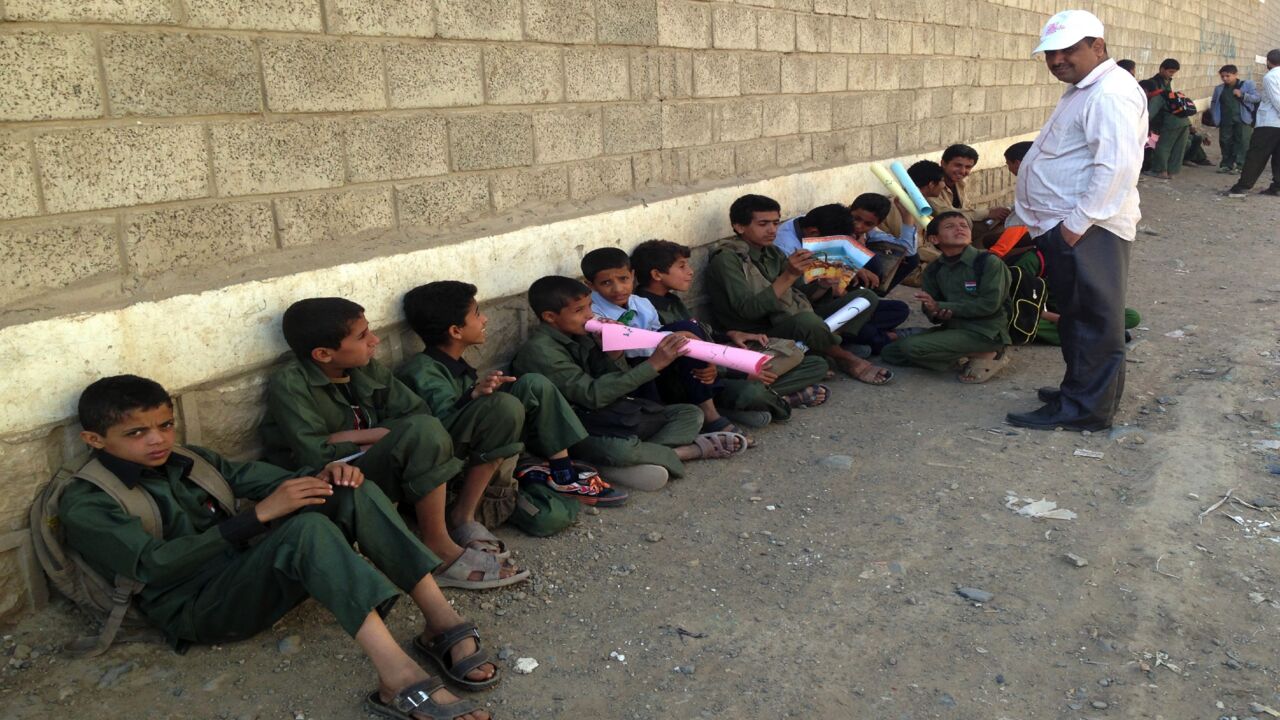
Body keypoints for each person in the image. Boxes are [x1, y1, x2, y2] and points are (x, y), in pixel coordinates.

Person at [62, 375, 497, 720]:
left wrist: (324, 474)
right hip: (197, 607)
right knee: (304, 530)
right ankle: (397, 678)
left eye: (164, 425)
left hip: (243, 570)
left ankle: (440, 620)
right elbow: (152, 566)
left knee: (343, 490)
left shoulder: (190, 458)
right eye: (136, 432)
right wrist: (256, 517)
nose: (157, 440)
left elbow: (268, 481)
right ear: (95, 440)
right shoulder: (88, 500)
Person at [261, 297, 528, 590]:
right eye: (362, 336)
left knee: (502, 406)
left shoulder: (364, 367)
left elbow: (417, 413)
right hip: (339, 482)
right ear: (324, 354)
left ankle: (463, 516)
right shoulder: (290, 384)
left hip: (383, 456)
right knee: (422, 432)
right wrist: (388, 437)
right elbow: (316, 454)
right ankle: (437, 548)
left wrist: (366, 436)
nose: (375, 340)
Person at [1007, 9, 1147, 432]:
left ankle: (1084, 411)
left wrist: (1075, 225)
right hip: (1072, 225)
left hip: (1088, 228)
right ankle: (1083, 392)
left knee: (1091, 320)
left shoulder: (1110, 93)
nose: (1056, 60)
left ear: (1097, 46)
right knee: (1079, 316)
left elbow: (1117, 167)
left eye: (1068, 50)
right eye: (1050, 53)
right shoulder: (1086, 88)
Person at [397, 280, 624, 509]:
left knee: (533, 384)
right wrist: (474, 397)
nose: (484, 319)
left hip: (491, 443)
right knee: (549, 516)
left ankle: (562, 473)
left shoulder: (453, 362)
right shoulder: (422, 371)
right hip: (461, 464)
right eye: (477, 314)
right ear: (456, 331)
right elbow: (442, 428)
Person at [510, 276, 744, 492]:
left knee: (689, 414)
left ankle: (631, 460)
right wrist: (653, 364)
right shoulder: (541, 351)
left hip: (607, 416)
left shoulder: (580, 334)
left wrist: (614, 354)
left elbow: (614, 383)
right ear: (550, 317)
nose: (589, 316)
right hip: (575, 428)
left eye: (590, 306)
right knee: (619, 449)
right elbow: (592, 396)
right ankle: (682, 452)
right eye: (579, 310)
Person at [704, 194, 893, 385]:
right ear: (739, 227)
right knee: (809, 330)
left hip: (791, 315)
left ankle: (820, 348)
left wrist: (822, 284)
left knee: (865, 297)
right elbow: (749, 311)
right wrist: (789, 275)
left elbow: (800, 294)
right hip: (760, 331)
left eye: (775, 223)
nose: (772, 230)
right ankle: (846, 358)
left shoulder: (771, 252)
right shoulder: (727, 259)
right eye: (763, 224)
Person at [630, 239, 833, 413]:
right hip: (698, 379)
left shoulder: (671, 299)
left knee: (815, 363)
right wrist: (735, 372)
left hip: (719, 360)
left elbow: (700, 333)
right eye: (682, 266)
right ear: (657, 275)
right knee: (750, 391)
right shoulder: (645, 309)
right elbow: (682, 358)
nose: (691, 272)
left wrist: (731, 335)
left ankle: (759, 401)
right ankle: (779, 402)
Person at [580, 247, 759, 442]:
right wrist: (672, 340)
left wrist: (701, 354)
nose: (617, 289)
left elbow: (656, 331)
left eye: (623, 279)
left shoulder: (641, 304)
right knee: (678, 337)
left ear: (632, 276)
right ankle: (677, 420)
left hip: (659, 365)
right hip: (625, 374)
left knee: (687, 328)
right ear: (590, 285)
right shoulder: (593, 313)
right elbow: (628, 349)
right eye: (606, 283)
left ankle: (710, 412)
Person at [881, 212, 1012, 383]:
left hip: (984, 332)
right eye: (950, 226)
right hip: (953, 328)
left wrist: (943, 305)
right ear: (934, 239)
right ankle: (953, 354)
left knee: (910, 347)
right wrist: (935, 312)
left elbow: (989, 305)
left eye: (964, 225)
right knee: (889, 352)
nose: (960, 229)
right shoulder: (934, 269)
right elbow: (932, 309)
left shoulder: (988, 262)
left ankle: (989, 353)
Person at [792, 201, 911, 354]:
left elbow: (836, 286)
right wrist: (828, 287)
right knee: (866, 310)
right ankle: (876, 339)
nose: (859, 226)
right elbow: (802, 301)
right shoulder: (789, 250)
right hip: (811, 311)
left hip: (831, 303)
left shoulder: (820, 226)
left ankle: (855, 336)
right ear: (814, 234)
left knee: (899, 309)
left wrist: (848, 269)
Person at [1225, 49, 1280, 198]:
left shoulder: (1270, 77)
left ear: (1268, 62)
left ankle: (1242, 187)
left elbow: (1277, 101)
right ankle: (1277, 187)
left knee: (1256, 155)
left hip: (1270, 123)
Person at [939, 143, 1011, 246]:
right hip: (942, 234)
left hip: (962, 230)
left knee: (1004, 222)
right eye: (958, 165)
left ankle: (977, 253)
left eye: (968, 167)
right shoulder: (932, 184)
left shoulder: (960, 183)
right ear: (943, 163)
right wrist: (988, 213)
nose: (963, 171)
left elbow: (967, 209)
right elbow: (945, 214)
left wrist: (994, 214)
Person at [1142, 58, 1191, 179]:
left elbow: (1150, 114)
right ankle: (1172, 172)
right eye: (1170, 71)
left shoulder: (1158, 96)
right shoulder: (1166, 89)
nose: (1171, 74)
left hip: (1171, 123)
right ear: (1162, 69)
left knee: (1163, 146)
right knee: (1178, 148)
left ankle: (1160, 171)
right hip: (1184, 120)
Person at [1209, 64, 1260, 174]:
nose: (1225, 78)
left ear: (1235, 74)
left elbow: (1257, 98)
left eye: (1228, 76)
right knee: (1225, 141)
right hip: (1225, 120)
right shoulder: (1219, 89)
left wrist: (1243, 95)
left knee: (1242, 142)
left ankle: (1241, 165)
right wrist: (1215, 116)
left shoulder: (1247, 85)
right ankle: (1226, 164)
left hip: (1243, 119)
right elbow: (1214, 103)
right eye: (1222, 76)